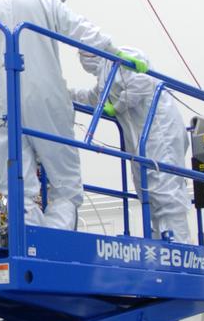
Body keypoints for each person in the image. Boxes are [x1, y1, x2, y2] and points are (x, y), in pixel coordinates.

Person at [0, 0, 122, 230]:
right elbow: (82, 31)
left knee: (17, 184)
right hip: (44, 96)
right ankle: (55, 240)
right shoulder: (43, 0)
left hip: (1, 103)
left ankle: (30, 242)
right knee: (64, 182)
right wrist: (114, 53)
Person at [72, 47, 191, 242]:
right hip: (142, 142)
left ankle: (178, 248)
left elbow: (143, 84)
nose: (83, 59)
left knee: (166, 193)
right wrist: (64, 92)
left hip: (160, 134)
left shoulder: (123, 58)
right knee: (149, 193)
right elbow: (93, 98)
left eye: (84, 53)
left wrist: (118, 106)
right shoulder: (105, 76)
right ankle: (162, 242)